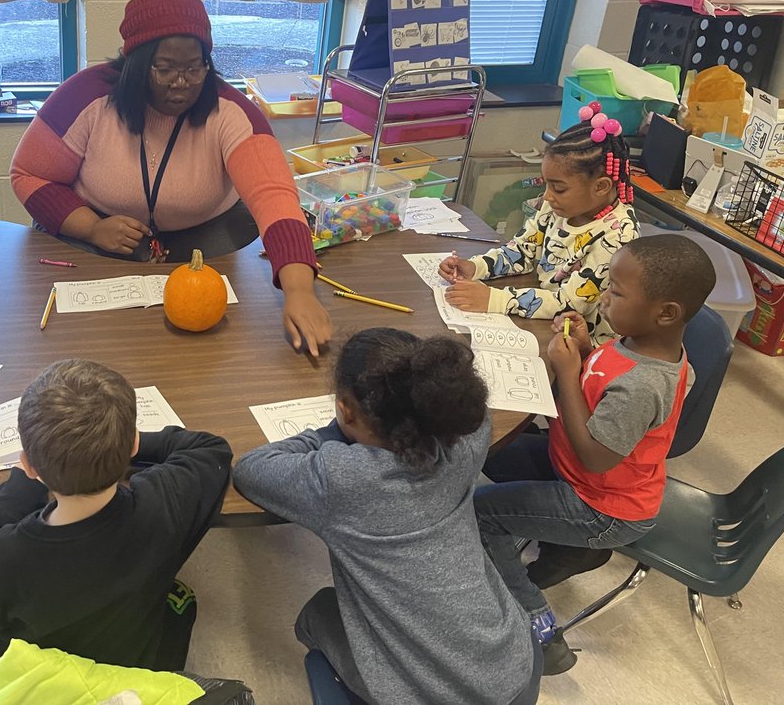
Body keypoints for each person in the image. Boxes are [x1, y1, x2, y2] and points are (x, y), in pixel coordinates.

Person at [10, 0, 331, 355]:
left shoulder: (231, 112)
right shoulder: (85, 97)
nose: (181, 84)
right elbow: (28, 174)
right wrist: (91, 227)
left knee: (204, 352)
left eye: (194, 69)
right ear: (135, 64)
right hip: (98, 236)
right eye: (165, 69)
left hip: (206, 241)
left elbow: (274, 196)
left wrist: (300, 291)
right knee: (99, 342)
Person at [233, 328, 541, 705]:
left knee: (318, 612)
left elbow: (251, 469)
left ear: (346, 408)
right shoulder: (469, 438)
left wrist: (334, 434)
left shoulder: (345, 480)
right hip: (514, 668)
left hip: (429, 698)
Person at [474, 234, 716, 675]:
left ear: (665, 313)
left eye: (617, 292)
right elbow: (600, 385)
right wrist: (585, 352)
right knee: (489, 454)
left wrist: (567, 372)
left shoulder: (645, 383)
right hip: (582, 475)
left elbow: (595, 457)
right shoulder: (634, 341)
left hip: (602, 506)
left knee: (479, 514)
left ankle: (536, 628)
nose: (604, 297)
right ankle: (568, 547)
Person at [0, 359, 233, 705]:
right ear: (132, 447)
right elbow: (210, 450)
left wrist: (12, 498)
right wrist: (132, 440)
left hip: (50, 684)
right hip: (129, 671)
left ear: (28, 465)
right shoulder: (164, 506)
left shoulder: (6, 559)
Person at [439, 105, 638, 344]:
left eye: (559, 188)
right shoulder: (559, 206)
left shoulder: (619, 235)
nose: (547, 196)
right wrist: (475, 267)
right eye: (547, 185)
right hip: (547, 319)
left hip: (586, 344)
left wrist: (496, 300)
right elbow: (522, 250)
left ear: (601, 187)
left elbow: (571, 302)